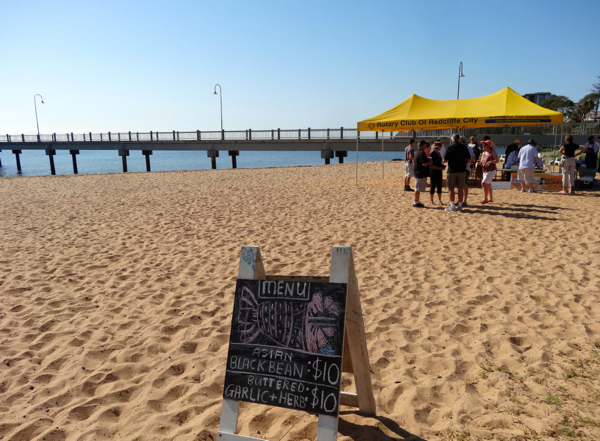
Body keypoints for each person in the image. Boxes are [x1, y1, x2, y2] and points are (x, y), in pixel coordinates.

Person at [444, 134, 471, 212]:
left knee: (451, 189)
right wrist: (464, 163)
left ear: (452, 140)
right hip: (462, 170)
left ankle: (452, 206)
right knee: (460, 189)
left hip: (452, 170)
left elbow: (445, 160)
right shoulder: (464, 147)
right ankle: (460, 206)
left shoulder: (449, 148)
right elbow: (469, 159)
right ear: (459, 140)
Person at [413, 140, 430, 207]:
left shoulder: (417, 152)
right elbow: (424, 164)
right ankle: (416, 202)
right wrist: (429, 162)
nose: (426, 146)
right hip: (420, 173)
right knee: (417, 188)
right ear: (423, 146)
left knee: (418, 188)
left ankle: (417, 201)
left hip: (418, 172)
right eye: (425, 145)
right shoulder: (422, 153)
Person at [429, 141, 445, 205]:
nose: (441, 147)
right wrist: (439, 168)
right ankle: (431, 200)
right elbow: (431, 165)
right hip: (433, 172)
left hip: (439, 171)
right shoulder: (432, 154)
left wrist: (442, 166)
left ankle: (439, 200)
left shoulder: (439, 154)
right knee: (433, 186)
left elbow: (438, 163)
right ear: (438, 147)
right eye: (440, 146)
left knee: (439, 186)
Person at [462, 136, 475, 206]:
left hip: (466, 168)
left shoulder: (469, 148)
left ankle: (465, 201)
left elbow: (473, 158)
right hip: (460, 168)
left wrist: (466, 162)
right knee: (460, 185)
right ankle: (460, 200)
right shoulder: (461, 147)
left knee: (464, 185)